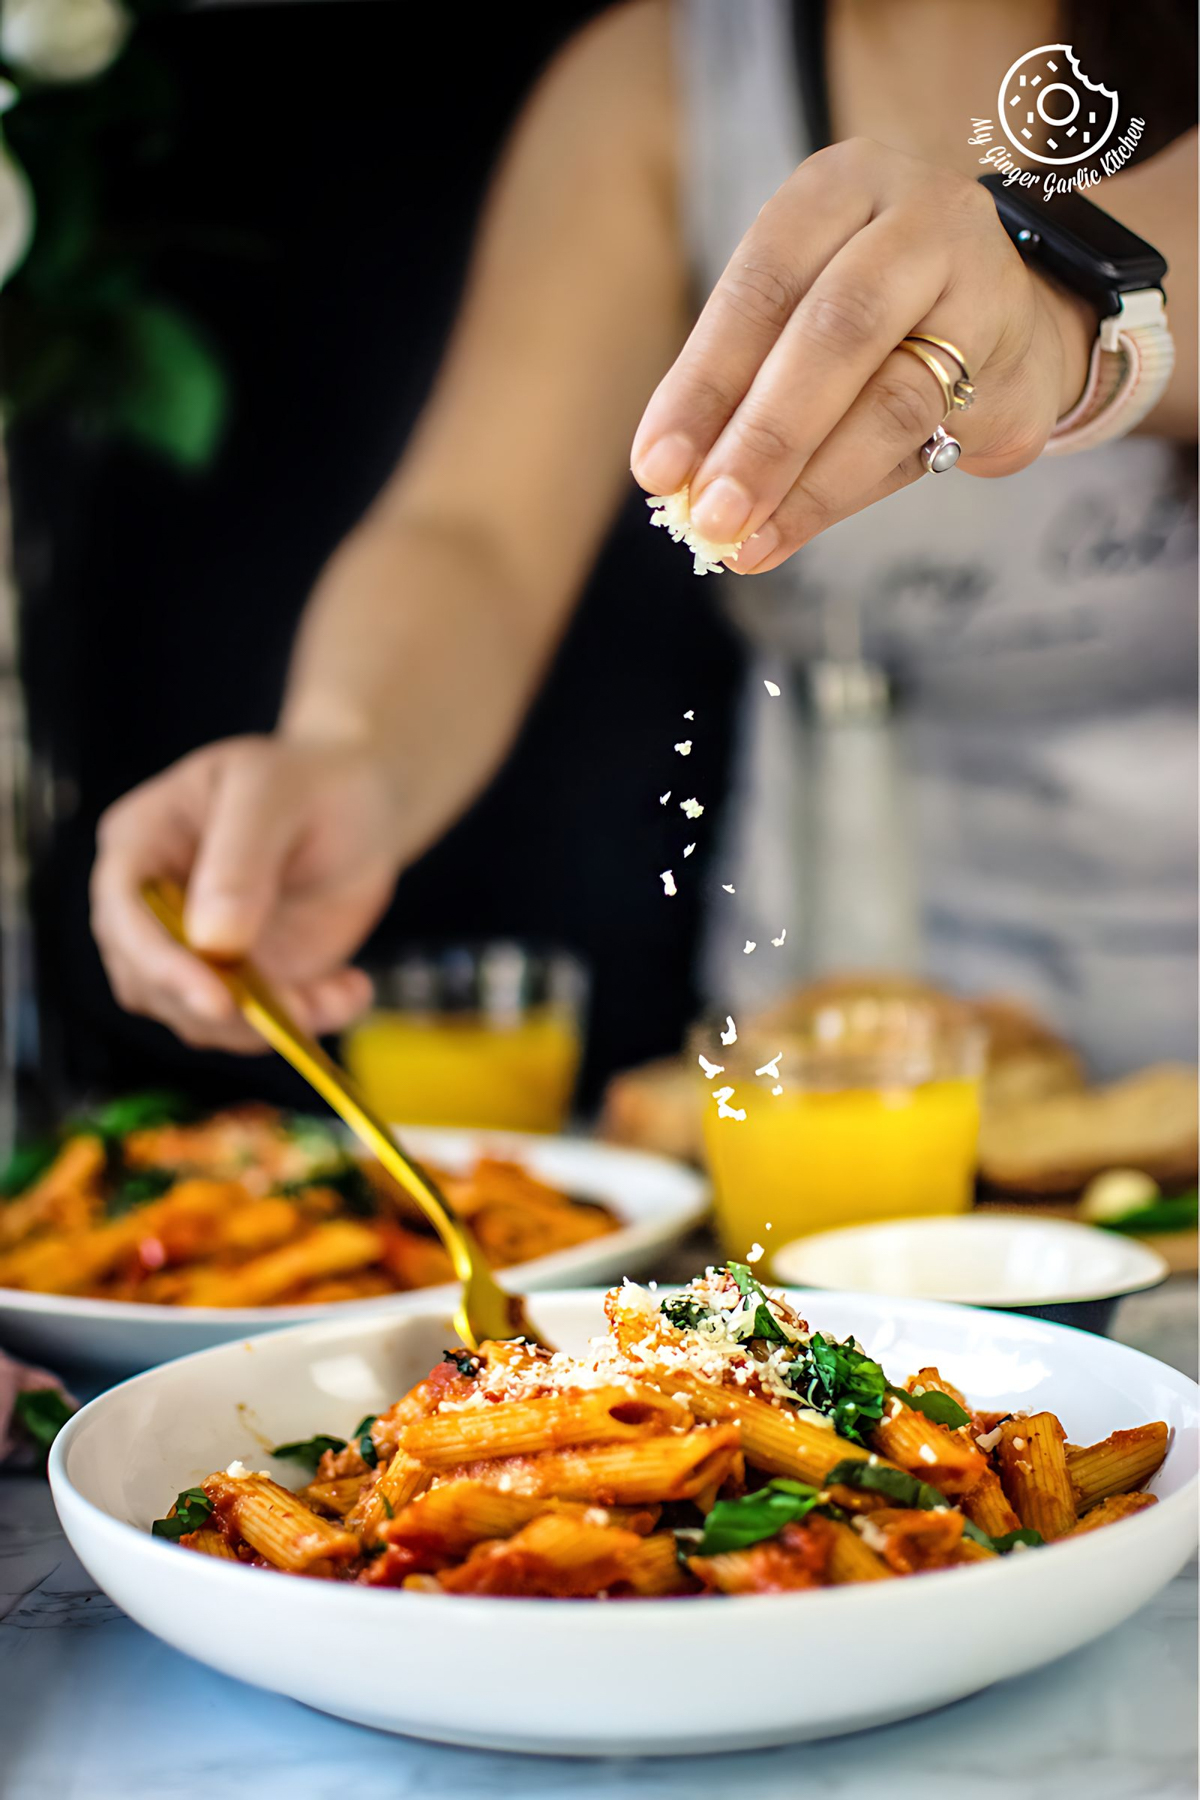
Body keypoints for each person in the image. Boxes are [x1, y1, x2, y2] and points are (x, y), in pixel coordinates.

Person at [90, 0, 1197, 1075]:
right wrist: (346, 749)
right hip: (832, 1072)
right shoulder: (660, 76)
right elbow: (474, 536)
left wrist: (1066, 311)